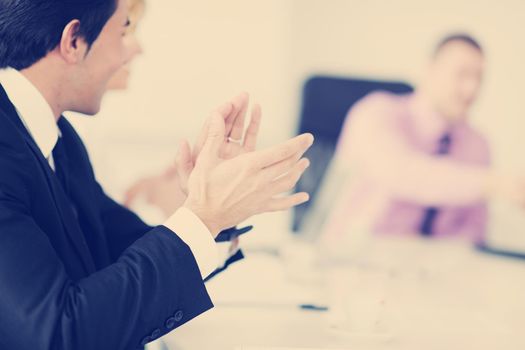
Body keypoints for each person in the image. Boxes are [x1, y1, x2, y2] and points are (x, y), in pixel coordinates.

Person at [0, 1, 314, 349]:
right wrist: (202, 217)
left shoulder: (58, 138)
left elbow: (118, 249)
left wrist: (213, 209)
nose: (128, 52)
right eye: (123, 30)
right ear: (73, 40)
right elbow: (60, 334)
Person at [320, 34, 523, 246]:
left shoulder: (479, 145)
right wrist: (494, 183)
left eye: (479, 77)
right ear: (430, 70)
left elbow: (474, 229)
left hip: (431, 269)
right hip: (354, 258)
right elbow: (404, 173)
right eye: (462, 74)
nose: (471, 89)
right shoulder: (376, 113)